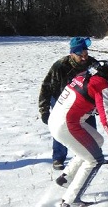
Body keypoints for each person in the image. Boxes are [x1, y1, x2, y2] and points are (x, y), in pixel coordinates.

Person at [48, 51, 108, 207]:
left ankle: (66, 178)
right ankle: (71, 200)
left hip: (61, 119)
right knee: (95, 159)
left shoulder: (93, 73)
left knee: (97, 141)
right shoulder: (102, 85)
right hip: (67, 124)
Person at [39, 37, 98, 170]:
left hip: (84, 101)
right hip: (62, 99)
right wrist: (44, 110)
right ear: (72, 54)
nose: (84, 58)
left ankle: (94, 155)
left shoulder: (92, 64)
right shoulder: (60, 66)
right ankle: (58, 158)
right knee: (62, 129)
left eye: (86, 54)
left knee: (90, 129)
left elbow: (100, 84)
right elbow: (46, 87)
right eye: (80, 56)